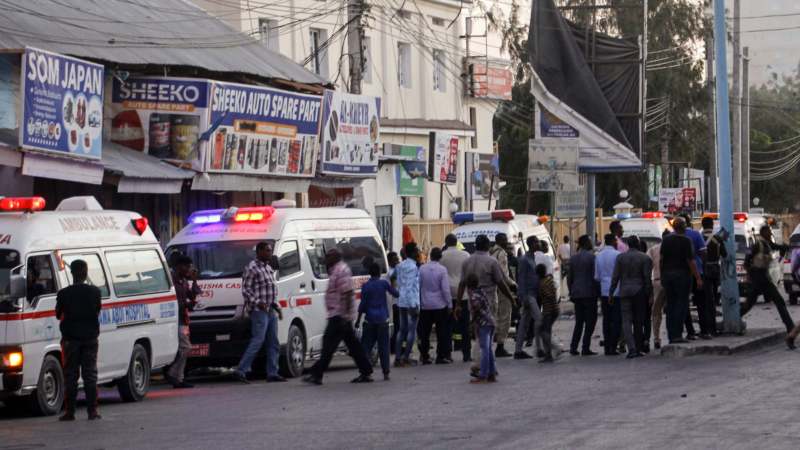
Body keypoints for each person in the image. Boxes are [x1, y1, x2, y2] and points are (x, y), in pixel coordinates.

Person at [304, 249, 374, 385]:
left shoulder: (341, 270)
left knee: (328, 345)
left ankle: (317, 374)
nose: (326, 259)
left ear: (336, 257)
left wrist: (345, 315)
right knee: (352, 345)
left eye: (328, 257)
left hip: (339, 315)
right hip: (338, 315)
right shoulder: (335, 269)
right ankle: (366, 370)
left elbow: (347, 293)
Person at [455, 235, 514, 377]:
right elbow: (501, 283)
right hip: (489, 304)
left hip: (473, 303)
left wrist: (458, 304)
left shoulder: (467, 262)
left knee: (480, 336)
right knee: (486, 339)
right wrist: (511, 298)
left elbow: (462, 284)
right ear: (488, 246)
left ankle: (489, 367)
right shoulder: (491, 262)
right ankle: (481, 367)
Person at [56, 259, 102, 421]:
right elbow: (97, 311)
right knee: (90, 375)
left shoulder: (63, 294)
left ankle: (70, 412)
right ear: (86, 272)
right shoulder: (95, 292)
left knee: (71, 376)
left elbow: (58, 314)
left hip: (71, 340)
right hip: (90, 338)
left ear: (72, 272)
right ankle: (92, 412)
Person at [234, 242, 285, 384]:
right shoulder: (252, 268)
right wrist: (258, 303)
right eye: (267, 250)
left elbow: (270, 290)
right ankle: (241, 370)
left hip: (270, 310)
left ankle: (272, 373)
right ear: (260, 252)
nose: (270, 253)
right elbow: (246, 290)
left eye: (270, 251)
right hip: (259, 311)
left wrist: (276, 307)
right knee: (258, 340)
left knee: (273, 342)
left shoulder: (268, 268)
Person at [741, 225, 795, 332]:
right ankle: (790, 327)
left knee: (749, 304)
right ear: (763, 233)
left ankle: (790, 327)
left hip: (763, 277)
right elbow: (746, 262)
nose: (770, 234)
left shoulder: (767, 244)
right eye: (768, 232)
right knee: (779, 301)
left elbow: (777, 247)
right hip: (759, 277)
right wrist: (750, 275)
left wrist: (788, 247)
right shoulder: (757, 244)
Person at [660, 217, 703, 344]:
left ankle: (671, 335)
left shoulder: (666, 240)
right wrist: (698, 278)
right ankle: (677, 334)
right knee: (681, 305)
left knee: (671, 305)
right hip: (682, 276)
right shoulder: (686, 240)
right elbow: (690, 261)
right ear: (684, 227)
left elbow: (661, 260)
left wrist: (662, 275)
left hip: (668, 276)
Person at [610, 236, 653, 359]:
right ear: (638, 244)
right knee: (638, 321)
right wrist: (649, 295)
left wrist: (611, 293)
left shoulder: (620, 257)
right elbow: (647, 279)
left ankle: (631, 349)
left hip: (624, 291)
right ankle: (638, 348)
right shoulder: (645, 258)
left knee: (626, 321)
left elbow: (615, 277)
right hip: (639, 291)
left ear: (628, 244)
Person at [355, 263, 399, 380]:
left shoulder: (366, 286)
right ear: (379, 273)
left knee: (366, 347)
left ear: (370, 273)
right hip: (383, 320)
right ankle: (386, 373)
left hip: (369, 321)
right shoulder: (384, 283)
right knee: (384, 347)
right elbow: (396, 293)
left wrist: (358, 320)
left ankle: (365, 372)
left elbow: (363, 305)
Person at [165, 256, 202, 389]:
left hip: (183, 318)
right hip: (174, 320)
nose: (188, 269)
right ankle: (173, 373)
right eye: (186, 266)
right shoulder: (171, 280)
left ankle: (179, 379)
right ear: (179, 266)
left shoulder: (184, 281)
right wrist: (186, 304)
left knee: (183, 348)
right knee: (185, 347)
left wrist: (194, 281)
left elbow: (192, 295)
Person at [418, 247, 453, 364]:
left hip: (425, 305)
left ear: (430, 256)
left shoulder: (422, 269)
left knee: (425, 333)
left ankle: (424, 356)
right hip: (439, 305)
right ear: (440, 257)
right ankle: (440, 356)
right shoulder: (442, 270)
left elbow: (418, 286)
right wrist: (449, 304)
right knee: (441, 331)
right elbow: (445, 289)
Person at [440, 234, 471, 362]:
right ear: (457, 242)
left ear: (446, 242)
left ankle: (447, 354)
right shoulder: (465, 255)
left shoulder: (441, 256)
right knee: (465, 326)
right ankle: (466, 354)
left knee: (447, 326)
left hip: (446, 294)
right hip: (462, 294)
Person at [681, 214, 711, 340]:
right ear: (689, 222)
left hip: (682, 274)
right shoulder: (695, 234)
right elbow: (704, 252)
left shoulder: (672, 236)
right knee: (701, 303)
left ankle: (690, 332)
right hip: (697, 273)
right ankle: (704, 330)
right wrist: (702, 268)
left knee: (684, 304)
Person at [568, 235, 598, 356]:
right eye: (590, 241)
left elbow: (570, 278)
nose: (592, 243)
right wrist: (598, 293)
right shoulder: (592, 258)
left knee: (579, 322)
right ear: (586, 243)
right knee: (590, 321)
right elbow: (595, 277)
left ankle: (573, 347)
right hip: (589, 293)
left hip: (577, 293)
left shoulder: (573, 258)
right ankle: (585, 347)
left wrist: (571, 292)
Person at [489, 233, 517, 357]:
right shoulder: (501, 253)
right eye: (505, 239)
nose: (507, 241)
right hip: (502, 288)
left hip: (492, 288)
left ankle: (492, 343)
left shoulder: (491, 252)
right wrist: (513, 285)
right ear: (500, 240)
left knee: (495, 316)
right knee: (505, 316)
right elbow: (503, 274)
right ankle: (500, 346)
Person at [514, 235, 541, 359]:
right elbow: (521, 279)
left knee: (524, 323)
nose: (538, 243)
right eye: (536, 242)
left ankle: (518, 350)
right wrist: (523, 296)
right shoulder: (524, 260)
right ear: (531, 244)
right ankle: (542, 348)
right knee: (540, 320)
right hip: (528, 295)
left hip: (533, 294)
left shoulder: (532, 257)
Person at [466, 274, 496, 383]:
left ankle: (483, 375)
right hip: (490, 322)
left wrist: (472, 322)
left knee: (484, 350)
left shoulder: (474, 295)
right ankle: (491, 373)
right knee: (488, 350)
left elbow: (476, 309)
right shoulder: (481, 291)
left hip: (483, 323)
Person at [394, 242, 421, 366]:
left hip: (401, 301)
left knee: (401, 330)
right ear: (412, 253)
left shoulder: (399, 266)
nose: (418, 253)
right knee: (411, 331)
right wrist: (413, 305)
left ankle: (398, 357)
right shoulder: (413, 267)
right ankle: (405, 358)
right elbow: (410, 287)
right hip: (411, 301)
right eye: (417, 251)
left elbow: (399, 283)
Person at [595, 234, 621, 355]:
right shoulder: (618, 255)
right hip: (617, 291)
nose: (617, 243)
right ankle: (613, 345)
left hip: (604, 291)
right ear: (612, 241)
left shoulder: (599, 256)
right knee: (616, 320)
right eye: (616, 241)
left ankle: (607, 346)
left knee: (606, 319)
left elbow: (597, 277)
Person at [648, 230, 669, 349]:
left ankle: (656, 338)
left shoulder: (653, 249)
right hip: (670, 283)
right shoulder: (674, 248)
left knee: (656, 312)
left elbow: (647, 267)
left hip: (657, 282)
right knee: (672, 310)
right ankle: (674, 335)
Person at [702, 217, 727, 313]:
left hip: (703, 269)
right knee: (715, 290)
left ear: (702, 225)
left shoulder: (699, 237)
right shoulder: (718, 238)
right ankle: (713, 308)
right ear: (712, 225)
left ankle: (707, 310)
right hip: (715, 269)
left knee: (705, 293)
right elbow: (724, 254)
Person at [537, 264, 560, 363]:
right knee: (546, 331)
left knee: (544, 332)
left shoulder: (542, 283)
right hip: (554, 309)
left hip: (548, 310)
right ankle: (550, 352)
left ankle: (549, 353)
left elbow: (549, 295)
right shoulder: (549, 280)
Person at [386, 251, 401, 354]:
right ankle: (393, 348)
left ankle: (395, 347)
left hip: (398, 302)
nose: (397, 261)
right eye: (395, 260)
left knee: (397, 326)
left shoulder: (396, 270)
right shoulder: (390, 272)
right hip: (394, 302)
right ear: (390, 261)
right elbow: (392, 286)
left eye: (398, 259)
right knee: (396, 326)